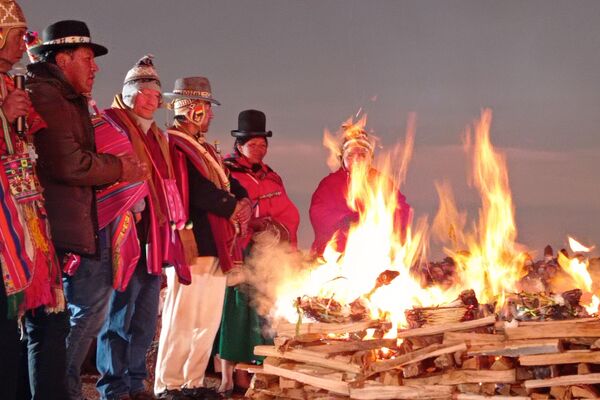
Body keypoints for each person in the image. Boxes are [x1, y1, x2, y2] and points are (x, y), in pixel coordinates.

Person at [26, 20, 146, 400]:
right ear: (62, 59)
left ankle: (64, 389)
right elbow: (68, 164)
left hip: (68, 224)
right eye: (86, 59)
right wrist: (121, 168)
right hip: (58, 229)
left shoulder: (63, 98)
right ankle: (64, 389)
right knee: (63, 321)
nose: (95, 68)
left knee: (64, 320)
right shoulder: (50, 98)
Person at [154, 77, 252, 400]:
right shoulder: (175, 145)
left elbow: (227, 181)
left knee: (206, 319)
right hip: (191, 241)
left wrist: (243, 199)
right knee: (182, 317)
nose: (210, 114)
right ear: (192, 109)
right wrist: (231, 205)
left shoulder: (205, 149)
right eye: (207, 108)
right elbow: (198, 190)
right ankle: (168, 383)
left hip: (215, 244)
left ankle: (192, 382)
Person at [95, 55, 186, 400]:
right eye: (146, 93)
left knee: (145, 320)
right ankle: (112, 385)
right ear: (129, 93)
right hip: (123, 235)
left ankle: (135, 382)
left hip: (153, 237)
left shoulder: (157, 136)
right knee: (118, 316)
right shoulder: (111, 125)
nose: (153, 100)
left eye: (156, 95)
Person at [0, 2, 67, 399]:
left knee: (31, 326)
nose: (22, 41)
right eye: (16, 32)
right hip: (4, 229)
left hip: (25, 219)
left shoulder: (12, 83)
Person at [217, 109, 299, 395]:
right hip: (240, 252)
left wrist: (276, 228)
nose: (260, 148)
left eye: (263, 144)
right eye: (254, 144)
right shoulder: (226, 172)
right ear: (240, 145)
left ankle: (258, 371)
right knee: (236, 310)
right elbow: (225, 209)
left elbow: (288, 213)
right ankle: (228, 374)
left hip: (269, 256)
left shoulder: (272, 177)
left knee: (264, 313)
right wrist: (251, 224)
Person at [309, 122, 410, 257]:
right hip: (336, 256)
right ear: (342, 158)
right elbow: (318, 215)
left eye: (362, 154)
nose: (356, 159)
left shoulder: (382, 183)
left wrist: (377, 221)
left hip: (376, 255)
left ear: (370, 158)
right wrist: (346, 221)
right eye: (350, 155)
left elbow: (402, 210)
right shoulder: (329, 185)